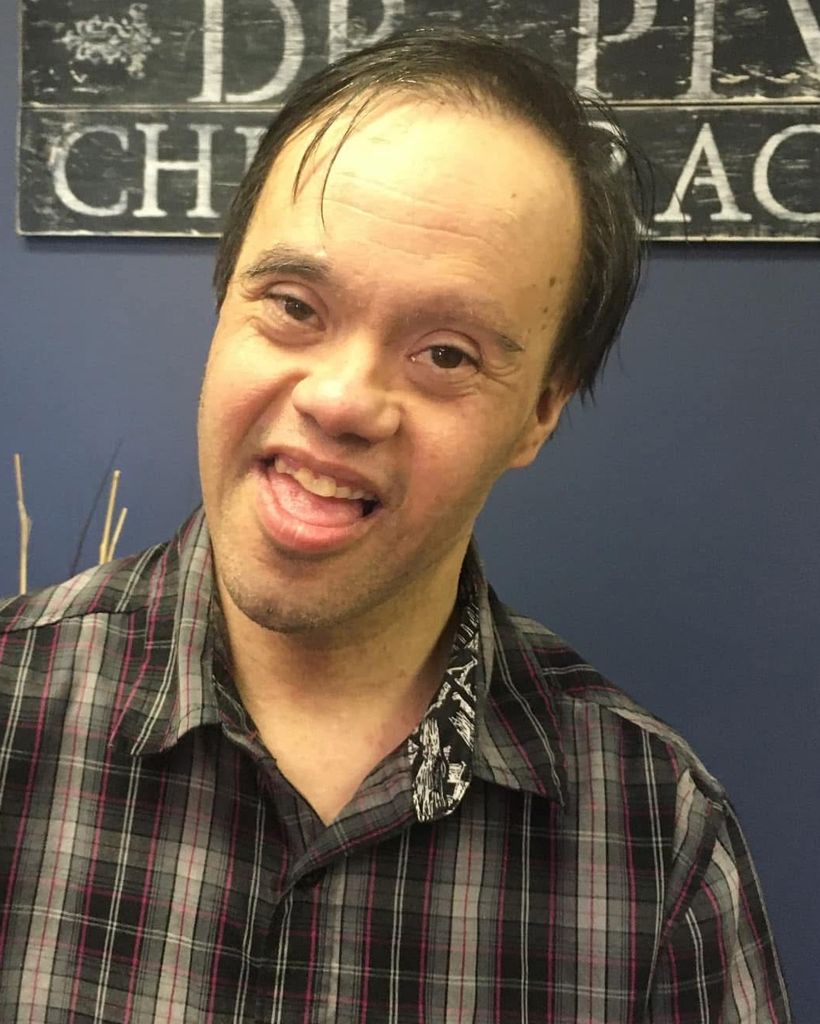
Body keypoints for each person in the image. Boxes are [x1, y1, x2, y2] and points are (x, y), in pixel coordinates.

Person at [0, 28, 791, 1024]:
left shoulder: (657, 840)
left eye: (447, 354)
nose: (340, 400)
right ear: (225, 300)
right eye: (294, 305)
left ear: (539, 413)